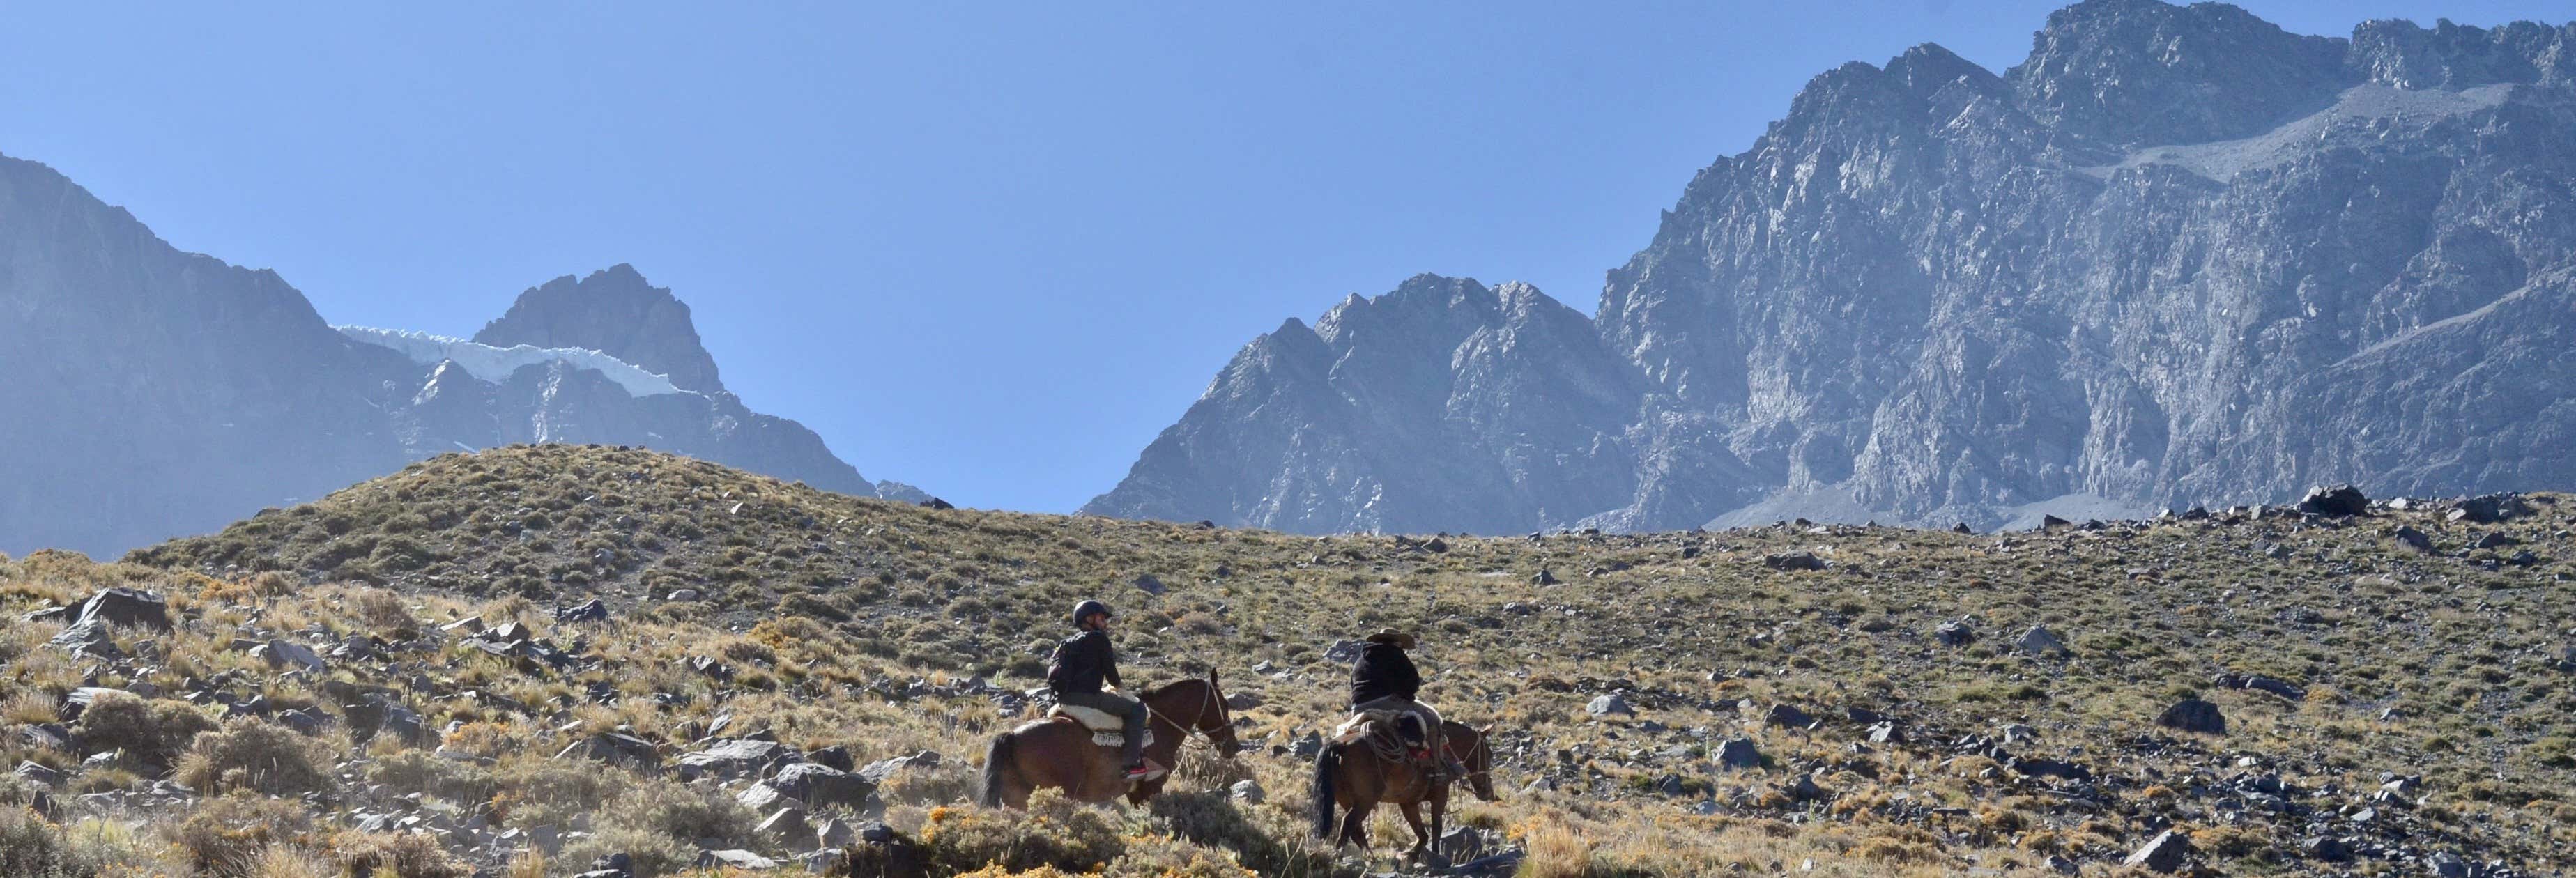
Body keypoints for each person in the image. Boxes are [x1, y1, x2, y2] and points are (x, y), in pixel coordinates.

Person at [1347, 629, 1468, 781]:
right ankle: (1438, 770)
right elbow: (1412, 683)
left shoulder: (1361, 660)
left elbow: (1353, 686)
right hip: (1385, 704)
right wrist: (1406, 697)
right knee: (1432, 718)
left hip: (1357, 709)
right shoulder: (1396, 654)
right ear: (1396, 642)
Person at [1049, 599, 1150, 780]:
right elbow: (1112, 676)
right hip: (1088, 697)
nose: (1106, 624)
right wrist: (1120, 686)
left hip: (1064, 698)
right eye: (1102, 619)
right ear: (1089, 619)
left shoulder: (1067, 642)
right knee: (1137, 710)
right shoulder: (1099, 639)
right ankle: (1131, 765)